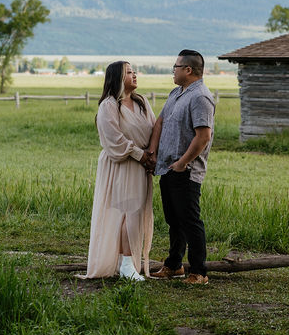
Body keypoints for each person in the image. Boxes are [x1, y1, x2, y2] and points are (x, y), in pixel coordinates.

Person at [144, 49, 215, 285]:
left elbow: (203, 136)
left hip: (185, 171)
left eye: (175, 66)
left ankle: (199, 272)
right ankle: (174, 266)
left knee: (190, 221)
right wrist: (153, 153)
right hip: (167, 167)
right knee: (174, 220)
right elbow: (160, 121)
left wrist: (183, 163)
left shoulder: (200, 97)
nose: (172, 71)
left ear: (188, 70)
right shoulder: (177, 93)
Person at [83, 61, 155, 280]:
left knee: (135, 212)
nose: (135, 75)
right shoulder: (109, 105)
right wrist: (138, 154)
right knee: (128, 212)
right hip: (122, 164)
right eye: (129, 72)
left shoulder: (141, 102)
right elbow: (113, 139)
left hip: (141, 165)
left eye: (134, 71)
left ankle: (127, 262)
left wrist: (151, 154)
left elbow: (153, 127)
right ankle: (125, 264)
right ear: (117, 77)